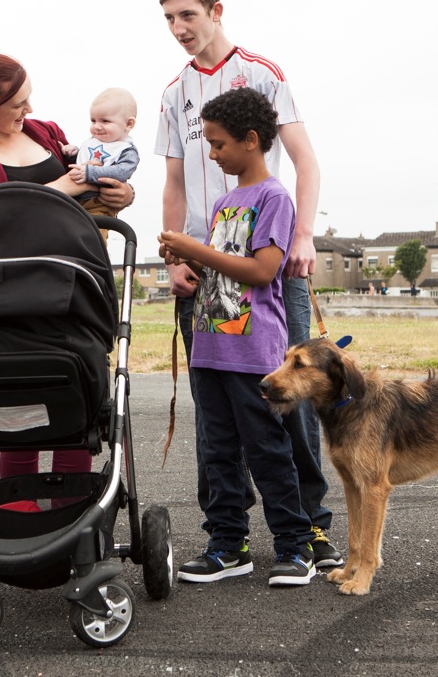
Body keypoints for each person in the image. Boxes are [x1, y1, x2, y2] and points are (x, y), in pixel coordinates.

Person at [154, 0, 340, 567]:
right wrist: (177, 258)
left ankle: (308, 525)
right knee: (218, 411)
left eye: (187, 15)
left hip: (267, 260)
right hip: (205, 272)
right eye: (168, 19)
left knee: (289, 399)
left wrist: (304, 236)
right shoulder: (172, 93)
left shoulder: (264, 73)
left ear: (215, 9)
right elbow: (175, 184)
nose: (179, 29)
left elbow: (306, 162)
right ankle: (225, 534)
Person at [0, 53, 134, 481]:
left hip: (70, 285)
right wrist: (69, 184)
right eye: (17, 105)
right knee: (17, 398)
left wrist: (121, 193)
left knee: (77, 397)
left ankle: (73, 503)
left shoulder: (46, 133)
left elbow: (94, 187)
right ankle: (21, 509)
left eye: (29, 99)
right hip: (3, 293)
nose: (29, 111)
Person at [158, 87, 315, 586]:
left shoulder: (273, 198)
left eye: (219, 143)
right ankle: (228, 545)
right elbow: (222, 276)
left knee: (268, 450)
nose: (211, 153)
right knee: (217, 452)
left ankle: (296, 545)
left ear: (251, 141)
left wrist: (194, 249)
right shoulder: (227, 203)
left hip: (253, 355)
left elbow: (263, 271)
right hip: (209, 347)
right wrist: (185, 261)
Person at [63, 87, 140, 221]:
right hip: (73, 201)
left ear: (128, 124)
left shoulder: (126, 150)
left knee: (96, 234)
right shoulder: (93, 142)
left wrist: (91, 173)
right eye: (93, 120)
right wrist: (73, 153)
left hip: (99, 202)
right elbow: (84, 160)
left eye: (105, 121)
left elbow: (121, 172)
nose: (97, 126)